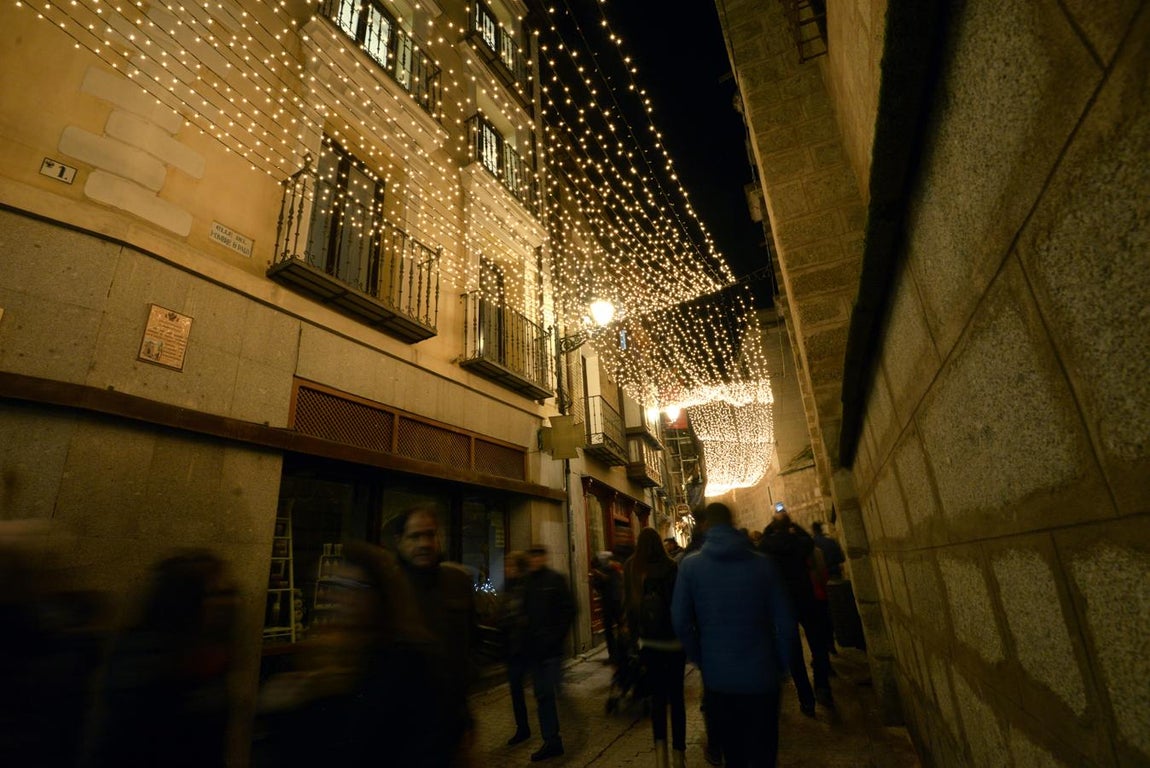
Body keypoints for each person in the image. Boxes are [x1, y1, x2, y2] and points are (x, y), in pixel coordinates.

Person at [255, 541, 456, 767]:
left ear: (381, 593)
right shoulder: (321, 654)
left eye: (354, 586)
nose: (341, 598)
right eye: (337, 585)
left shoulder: (412, 661)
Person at [84, 550, 238, 768]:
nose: (227, 603)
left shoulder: (206, 657)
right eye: (214, 594)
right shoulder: (146, 662)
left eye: (228, 593)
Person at [672, 503, 794, 767]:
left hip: (719, 680)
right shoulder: (763, 565)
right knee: (763, 755)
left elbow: (680, 622)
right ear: (732, 522)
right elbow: (786, 623)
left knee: (734, 757)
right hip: (762, 676)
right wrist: (782, 666)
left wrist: (701, 659)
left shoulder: (691, 567)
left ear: (705, 526)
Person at [391, 507, 477, 766]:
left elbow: (470, 645)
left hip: (450, 726)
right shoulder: (387, 587)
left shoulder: (457, 581)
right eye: (415, 536)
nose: (425, 543)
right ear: (399, 541)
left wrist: (465, 719)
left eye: (430, 535)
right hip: (399, 733)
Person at [758, 504, 834, 716]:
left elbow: (761, 542)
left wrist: (770, 527)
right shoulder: (799, 542)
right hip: (805, 598)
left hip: (783, 603)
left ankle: (806, 700)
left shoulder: (767, 546)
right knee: (818, 646)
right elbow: (809, 541)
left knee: (794, 654)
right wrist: (793, 525)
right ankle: (822, 686)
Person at [625, 527, 686, 768]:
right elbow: (679, 606)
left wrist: (634, 642)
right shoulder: (671, 566)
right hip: (673, 644)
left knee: (658, 700)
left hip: (648, 645)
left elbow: (630, 609)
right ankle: (679, 756)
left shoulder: (632, 567)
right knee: (677, 701)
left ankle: (661, 758)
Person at [522, 544, 576, 762]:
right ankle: (552, 740)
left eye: (538, 557)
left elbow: (569, 609)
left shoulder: (555, 580)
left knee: (546, 694)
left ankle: (553, 740)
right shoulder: (528, 582)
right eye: (531, 557)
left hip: (551, 651)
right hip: (535, 651)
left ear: (543, 558)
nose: (535, 561)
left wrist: (556, 637)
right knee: (543, 695)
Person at [502, 550, 533, 747]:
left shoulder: (528, 588)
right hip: (513, 649)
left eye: (510, 565)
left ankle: (550, 732)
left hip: (528, 648)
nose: (506, 569)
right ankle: (523, 728)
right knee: (516, 690)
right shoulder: (508, 587)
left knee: (541, 692)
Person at [811, 522, 845, 654]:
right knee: (838, 607)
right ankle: (841, 632)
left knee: (825, 611)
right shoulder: (831, 542)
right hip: (835, 575)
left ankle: (830, 643)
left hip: (821, 580)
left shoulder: (812, 545)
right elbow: (841, 558)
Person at [589, 550, 624, 665]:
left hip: (612, 602)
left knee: (616, 628)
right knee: (614, 628)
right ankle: (616, 654)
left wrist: (600, 577)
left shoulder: (612, 569)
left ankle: (618, 654)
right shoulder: (614, 568)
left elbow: (608, 583)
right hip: (613, 602)